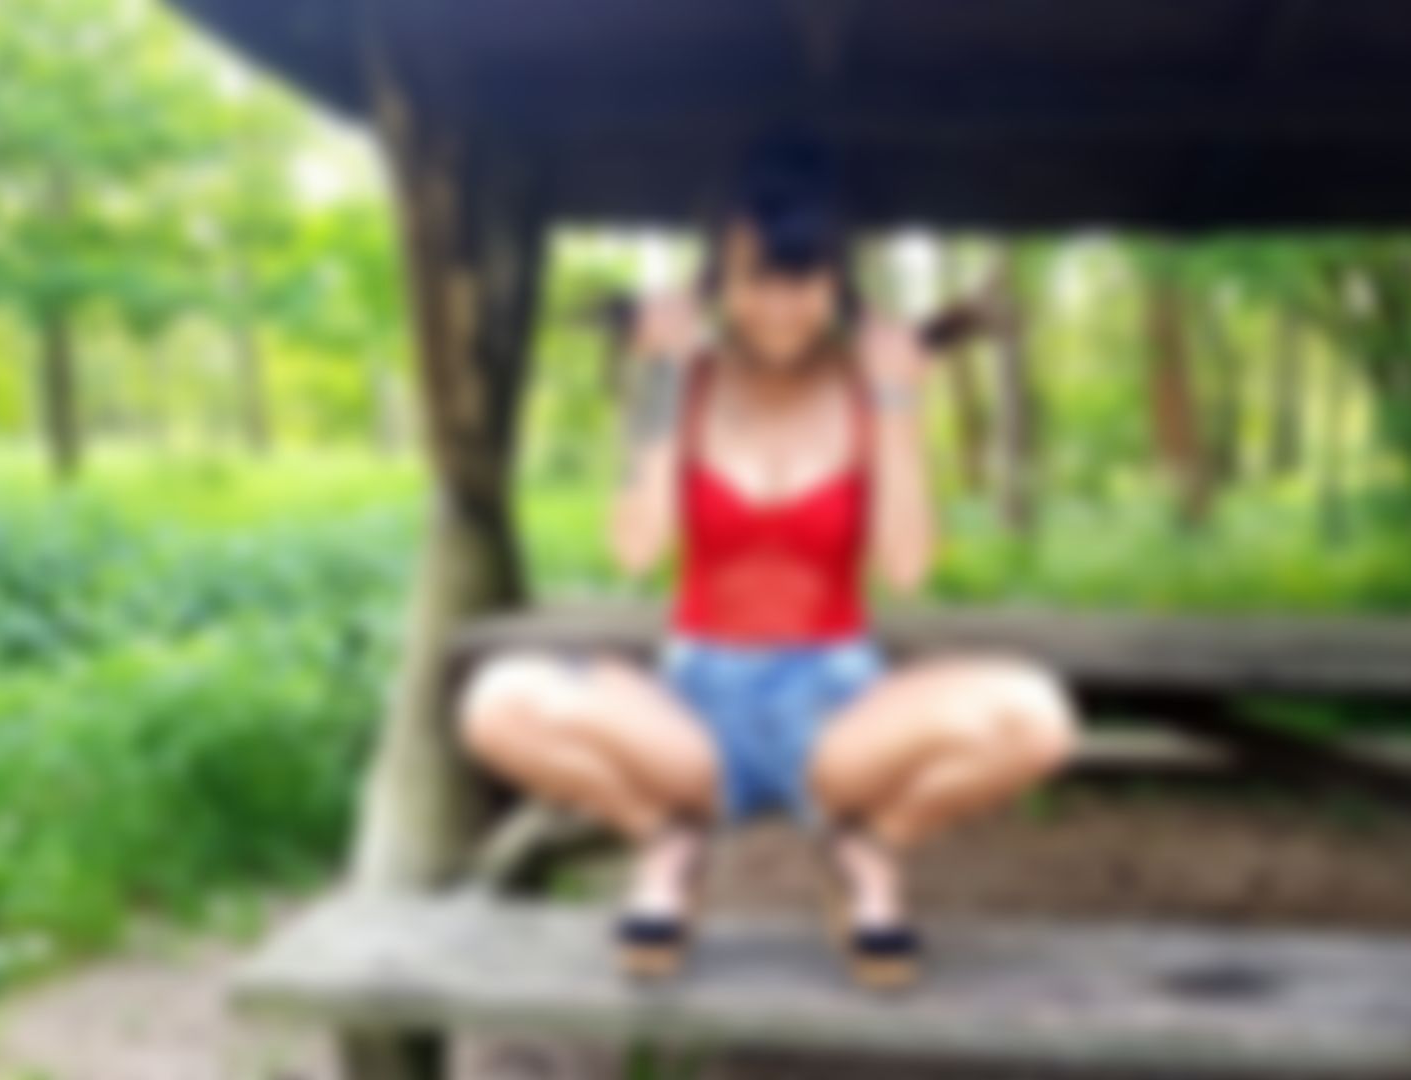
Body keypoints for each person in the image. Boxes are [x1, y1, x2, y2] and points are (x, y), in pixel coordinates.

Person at [456, 135, 1080, 990]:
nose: (781, 308)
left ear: (837, 280)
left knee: (1038, 717)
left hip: (839, 718)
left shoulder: (869, 386)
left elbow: (905, 568)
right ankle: (669, 841)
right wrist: (659, 380)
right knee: (494, 702)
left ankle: (865, 848)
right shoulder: (686, 382)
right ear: (720, 278)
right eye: (758, 279)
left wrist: (898, 399)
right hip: (693, 721)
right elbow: (635, 549)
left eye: (804, 279)